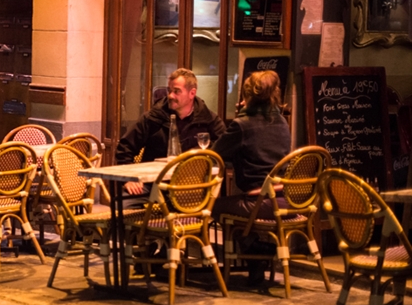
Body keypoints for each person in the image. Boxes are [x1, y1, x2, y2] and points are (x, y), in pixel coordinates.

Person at [212, 70, 291, 285]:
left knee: (213, 207)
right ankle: (256, 263)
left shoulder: (241, 125)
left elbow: (214, 156)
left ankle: (254, 247)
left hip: (260, 202)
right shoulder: (282, 122)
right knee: (236, 207)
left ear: (246, 97)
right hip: (290, 200)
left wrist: (241, 117)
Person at [116, 68, 226, 195]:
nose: (170, 95)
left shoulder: (208, 119)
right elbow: (125, 148)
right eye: (169, 90)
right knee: (122, 206)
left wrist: (199, 155)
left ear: (192, 93)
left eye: (176, 91)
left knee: (214, 204)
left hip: (192, 186)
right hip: (154, 184)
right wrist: (130, 179)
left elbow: (224, 147)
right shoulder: (153, 117)